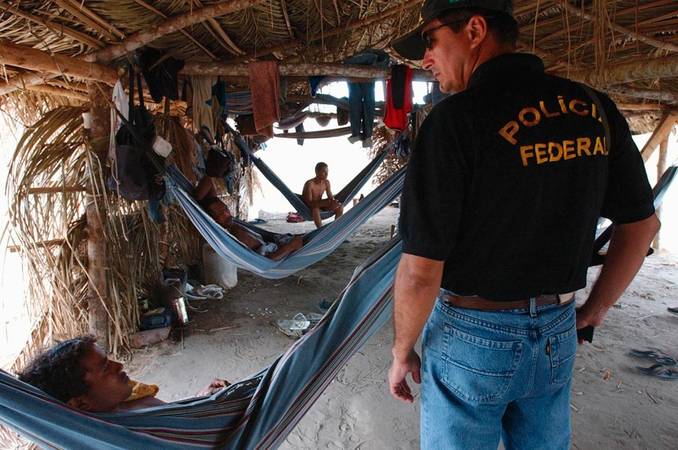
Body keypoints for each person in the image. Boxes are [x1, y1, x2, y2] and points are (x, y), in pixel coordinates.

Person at [387, 1, 660, 449]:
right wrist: (593, 311)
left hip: (474, 334)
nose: (426, 59)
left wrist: (401, 354)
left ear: (474, 29)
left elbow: (420, 269)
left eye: (431, 41)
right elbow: (642, 225)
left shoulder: (455, 121)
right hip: (557, 330)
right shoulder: (593, 109)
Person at [17, 336, 229, 412]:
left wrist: (199, 400)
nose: (119, 365)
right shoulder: (115, 437)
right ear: (81, 404)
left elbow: (173, 421)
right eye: (105, 368)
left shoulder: (127, 397)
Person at [302, 162, 344, 228]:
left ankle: (335, 227)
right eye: (324, 172)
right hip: (312, 208)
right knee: (315, 210)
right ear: (317, 172)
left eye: (327, 172)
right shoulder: (310, 184)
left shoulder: (326, 183)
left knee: (340, 207)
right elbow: (309, 203)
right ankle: (320, 230)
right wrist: (324, 203)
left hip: (321, 206)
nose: (327, 174)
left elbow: (331, 197)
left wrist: (333, 202)